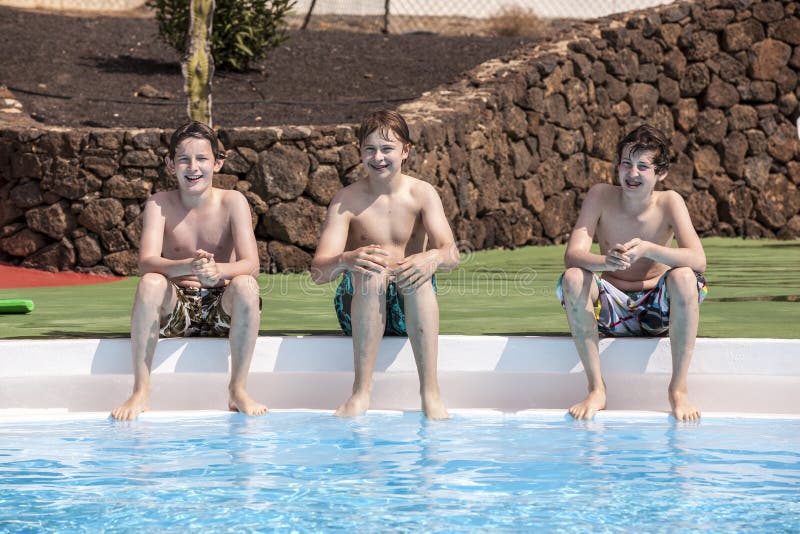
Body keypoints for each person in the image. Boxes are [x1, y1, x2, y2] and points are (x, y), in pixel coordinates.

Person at [111, 121, 266, 420]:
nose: (192, 167)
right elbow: (146, 261)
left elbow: (251, 264)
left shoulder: (233, 202)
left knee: (246, 284)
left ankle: (238, 389)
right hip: (176, 308)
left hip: (223, 305)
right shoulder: (159, 204)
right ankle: (141, 390)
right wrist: (185, 266)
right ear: (170, 164)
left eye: (202, 159)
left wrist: (217, 272)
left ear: (218, 162)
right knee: (150, 283)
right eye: (183, 159)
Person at [310, 110, 459, 419]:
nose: (378, 157)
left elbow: (451, 254)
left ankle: (430, 392)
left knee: (415, 273)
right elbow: (318, 273)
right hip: (360, 304)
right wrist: (346, 259)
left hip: (411, 307)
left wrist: (431, 257)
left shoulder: (422, 194)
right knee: (371, 270)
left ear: (405, 151)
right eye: (370, 149)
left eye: (387, 148)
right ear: (360, 152)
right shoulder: (346, 200)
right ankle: (361, 392)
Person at [557, 124, 707, 421]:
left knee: (686, 277)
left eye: (642, 166)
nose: (632, 173)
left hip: (657, 312)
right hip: (610, 309)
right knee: (574, 277)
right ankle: (596, 389)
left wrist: (651, 250)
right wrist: (605, 262)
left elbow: (698, 259)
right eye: (626, 163)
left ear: (659, 174)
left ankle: (678, 391)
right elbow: (572, 255)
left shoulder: (669, 202)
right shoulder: (600, 196)